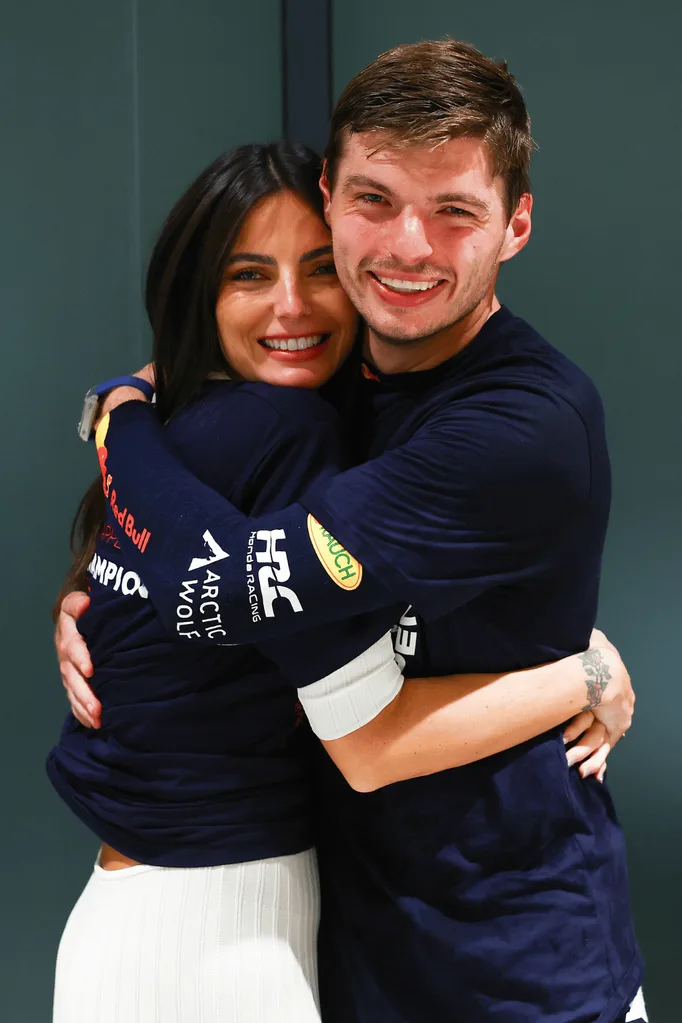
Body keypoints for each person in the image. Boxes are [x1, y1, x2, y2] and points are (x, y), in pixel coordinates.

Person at [56, 40, 646, 1023]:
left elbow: (236, 593)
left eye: (453, 210)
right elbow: (190, 558)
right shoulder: (334, 392)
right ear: (330, 196)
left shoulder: (516, 425)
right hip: (349, 952)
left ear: (516, 225)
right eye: (374, 200)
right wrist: (98, 592)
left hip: (518, 973)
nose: (406, 246)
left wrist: (119, 418)